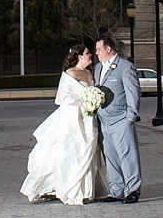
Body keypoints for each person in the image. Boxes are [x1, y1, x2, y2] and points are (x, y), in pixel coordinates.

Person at [20, 43, 108, 205]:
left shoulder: (89, 73)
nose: (91, 55)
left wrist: (93, 102)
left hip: (88, 118)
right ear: (79, 56)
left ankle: (86, 190)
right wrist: (84, 104)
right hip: (72, 118)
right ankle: (66, 188)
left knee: (88, 149)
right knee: (70, 150)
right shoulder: (69, 73)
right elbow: (62, 98)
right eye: (88, 53)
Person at [93, 34, 142, 203]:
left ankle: (133, 190)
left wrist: (130, 116)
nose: (96, 53)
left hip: (121, 119)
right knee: (111, 156)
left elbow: (133, 92)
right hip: (105, 121)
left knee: (127, 156)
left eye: (99, 49)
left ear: (109, 48)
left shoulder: (125, 67)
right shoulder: (98, 68)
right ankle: (115, 190)